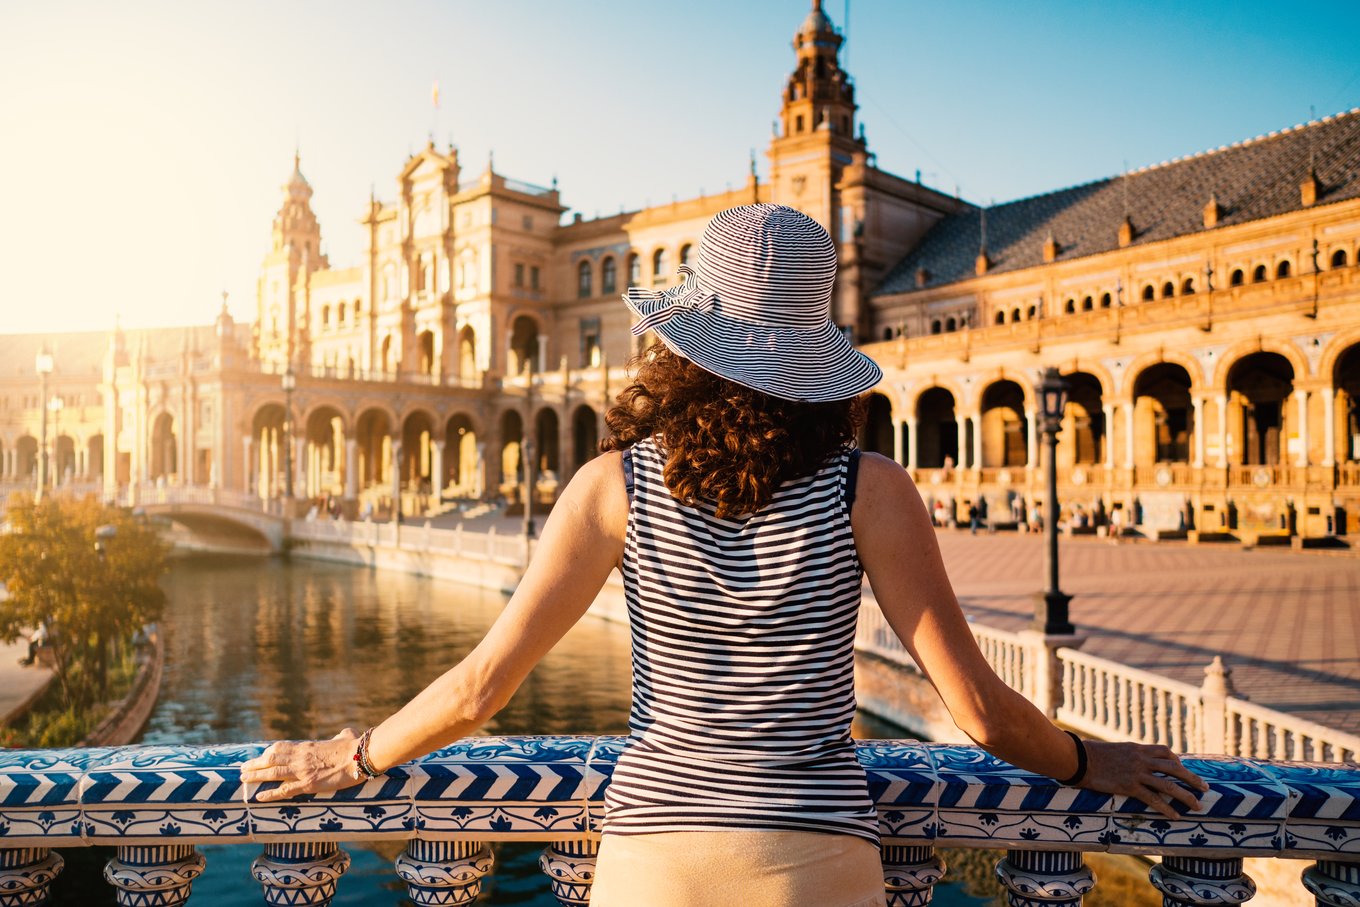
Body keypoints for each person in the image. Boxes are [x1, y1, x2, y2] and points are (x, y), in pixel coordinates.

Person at [242, 204, 1204, 907]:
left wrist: (350, 754)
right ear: (812, 352)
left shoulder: (612, 487)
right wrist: (1091, 758)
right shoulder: (869, 487)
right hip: (816, 862)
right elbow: (982, 713)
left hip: (654, 864)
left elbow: (479, 689)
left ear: (685, 341)